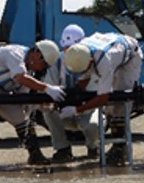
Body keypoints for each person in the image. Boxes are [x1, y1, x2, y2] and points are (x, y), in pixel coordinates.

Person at [0, 39, 64, 171]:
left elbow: (24, 99)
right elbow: (20, 78)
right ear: (37, 55)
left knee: (21, 119)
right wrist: (47, 89)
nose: (43, 69)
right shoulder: (15, 54)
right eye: (44, 65)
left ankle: (35, 155)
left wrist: (43, 105)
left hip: (0, 89)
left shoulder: (28, 71)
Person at [59, 31, 144, 166]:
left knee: (119, 102)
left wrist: (76, 109)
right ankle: (120, 144)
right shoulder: (79, 52)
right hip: (111, 49)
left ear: (91, 61)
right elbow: (83, 80)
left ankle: (119, 148)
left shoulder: (104, 61)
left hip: (129, 57)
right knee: (111, 105)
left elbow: (103, 98)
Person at [41, 24, 100, 163]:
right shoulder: (57, 62)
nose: (68, 51)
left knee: (93, 125)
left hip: (87, 109)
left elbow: (97, 93)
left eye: (71, 48)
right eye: (66, 47)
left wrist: (78, 108)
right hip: (64, 110)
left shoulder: (94, 61)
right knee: (47, 110)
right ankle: (62, 149)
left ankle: (93, 147)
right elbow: (50, 86)